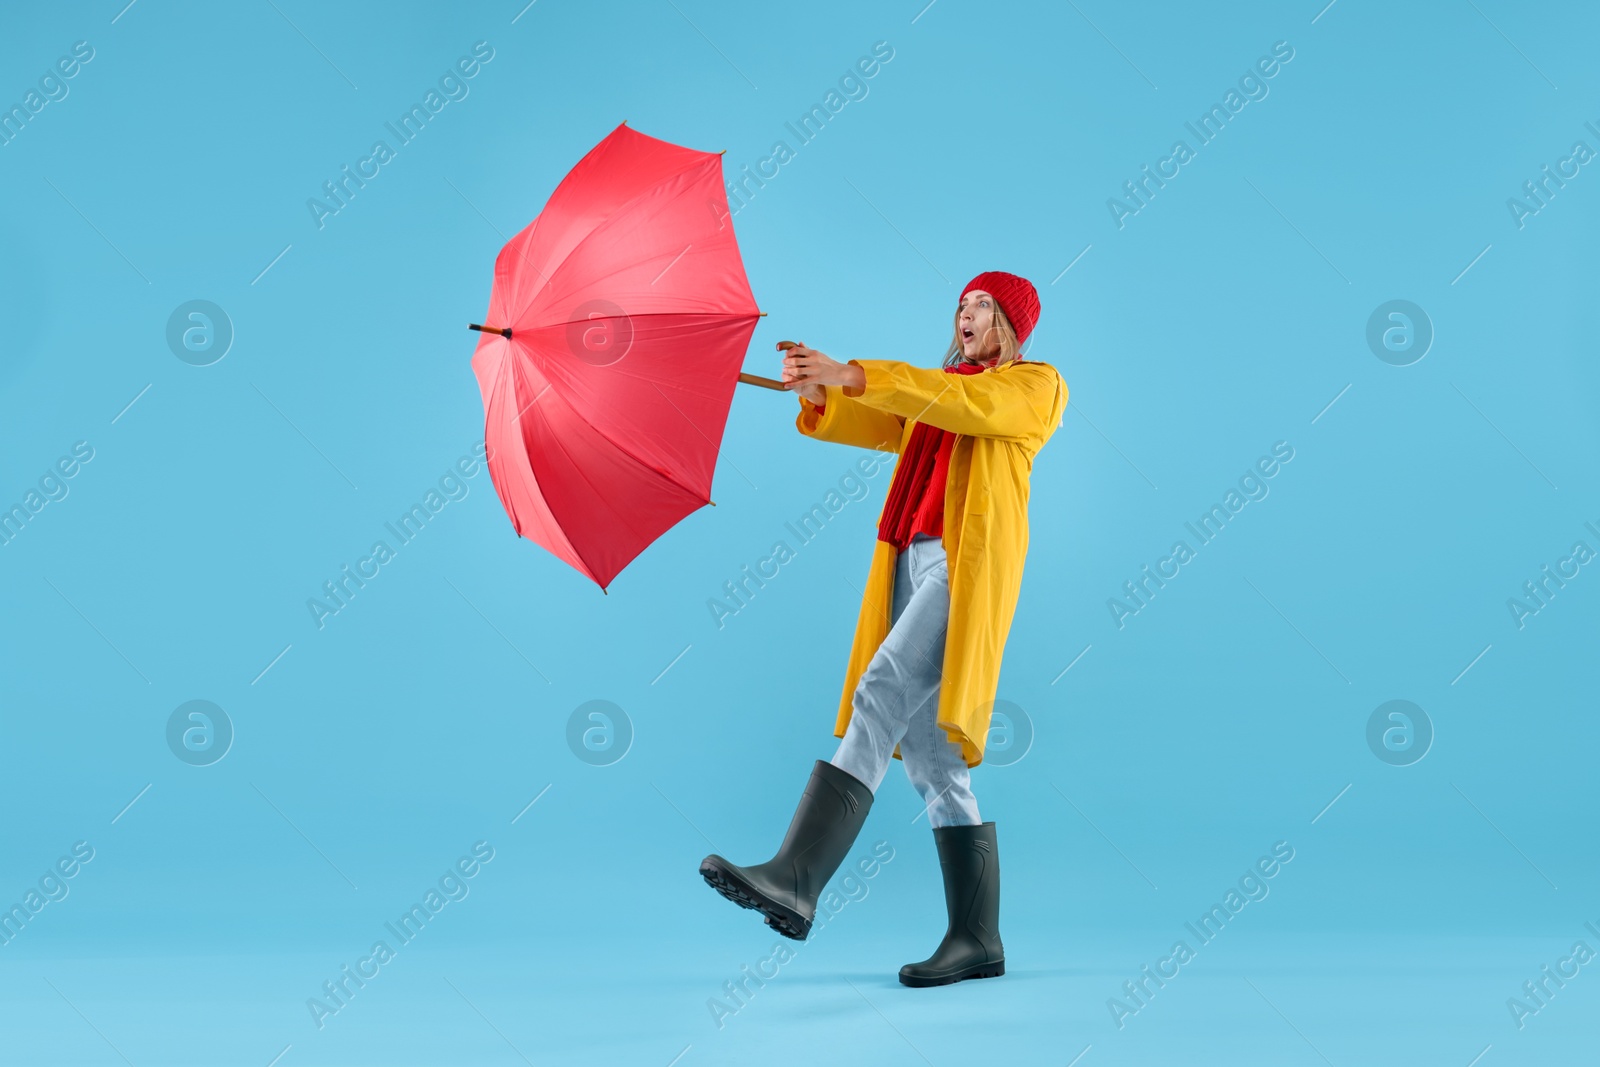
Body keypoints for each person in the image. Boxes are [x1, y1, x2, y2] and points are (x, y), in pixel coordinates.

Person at [698, 271, 1067, 987]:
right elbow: (889, 421)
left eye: (982, 306)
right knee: (934, 763)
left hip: (963, 568)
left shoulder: (1032, 387)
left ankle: (796, 876)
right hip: (913, 561)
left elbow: (960, 402)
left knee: (881, 690)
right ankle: (977, 937)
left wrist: (852, 371)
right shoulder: (940, 392)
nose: (966, 315)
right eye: (961, 305)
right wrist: (821, 393)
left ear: (1011, 324)